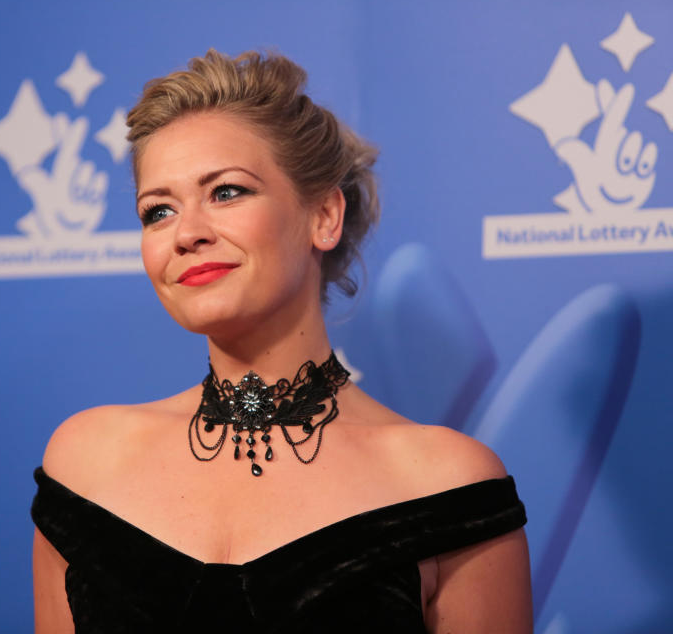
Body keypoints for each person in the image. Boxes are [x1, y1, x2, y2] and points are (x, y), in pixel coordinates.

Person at [31, 49, 532, 633]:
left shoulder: (449, 484)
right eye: (158, 210)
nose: (187, 233)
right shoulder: (86, 463)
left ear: (323, 215)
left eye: (226, 192)